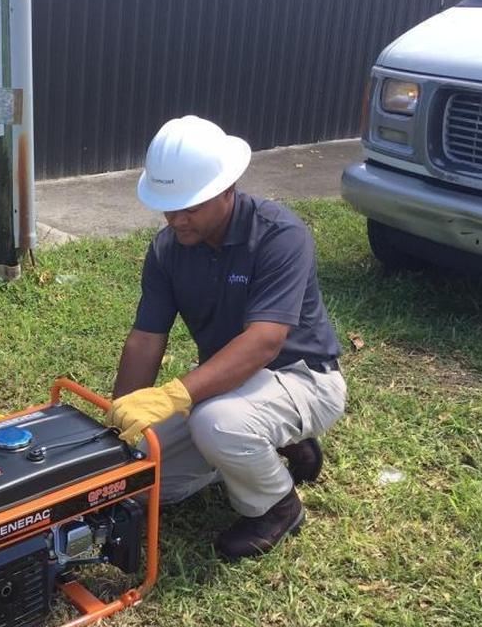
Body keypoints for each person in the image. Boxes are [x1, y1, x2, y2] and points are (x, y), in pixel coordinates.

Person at [107, 116, 347, 561]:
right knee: (145, 480)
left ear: (227, 188)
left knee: (216, 424)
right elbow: (145, 339)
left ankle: (277, 505)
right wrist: (118, 426)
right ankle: (269, 444)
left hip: (303, 378)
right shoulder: (167, 249)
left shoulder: (279, 236)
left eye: (190, 206)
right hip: (228, 383)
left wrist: (175, 394)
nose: (176, 218)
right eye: (168, 206)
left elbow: (264, 342)